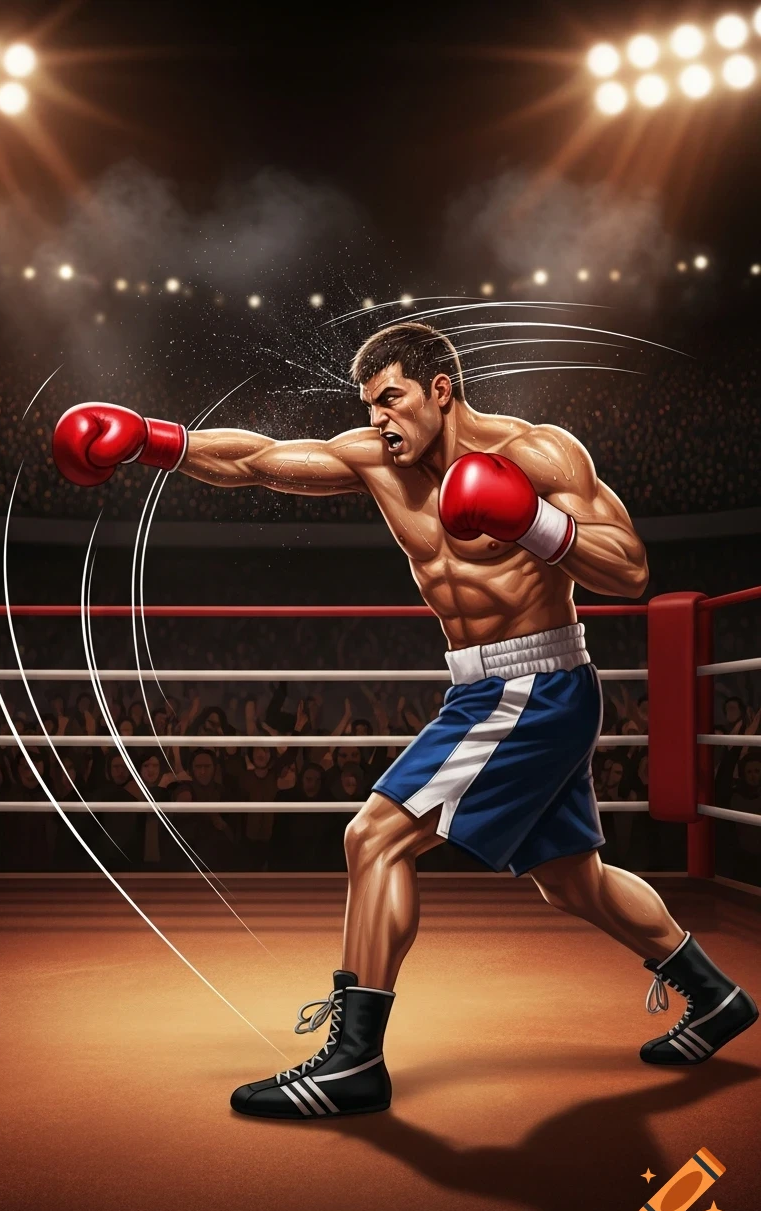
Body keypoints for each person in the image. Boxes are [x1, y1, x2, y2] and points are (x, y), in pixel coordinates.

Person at [54, 320, 758, 1120]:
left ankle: (354, 1061)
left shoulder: (537, 454)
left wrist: (530, 520)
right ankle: (715, 996)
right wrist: (154, 441)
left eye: (392, 399)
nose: (379, 418)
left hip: (534, 687)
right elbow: (257, 460)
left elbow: (629, 570)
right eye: (370, 404)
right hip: (490, 692)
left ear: (440, 390)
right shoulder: (374, 461)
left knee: (374, 837)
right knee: (572, 882)